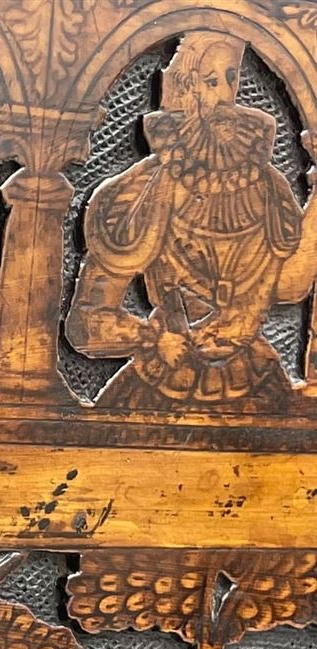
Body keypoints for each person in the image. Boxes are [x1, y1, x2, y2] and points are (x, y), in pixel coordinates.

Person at [66, 32, 317, 409]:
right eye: (210, 81)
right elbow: (86, 323)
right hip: (166, 381)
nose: (224, 95)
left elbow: (290, 286)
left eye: (232, 78)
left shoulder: (268, 187)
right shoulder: (141, 191)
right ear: (186, 90)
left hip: (255, 382)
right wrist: (151, 339)